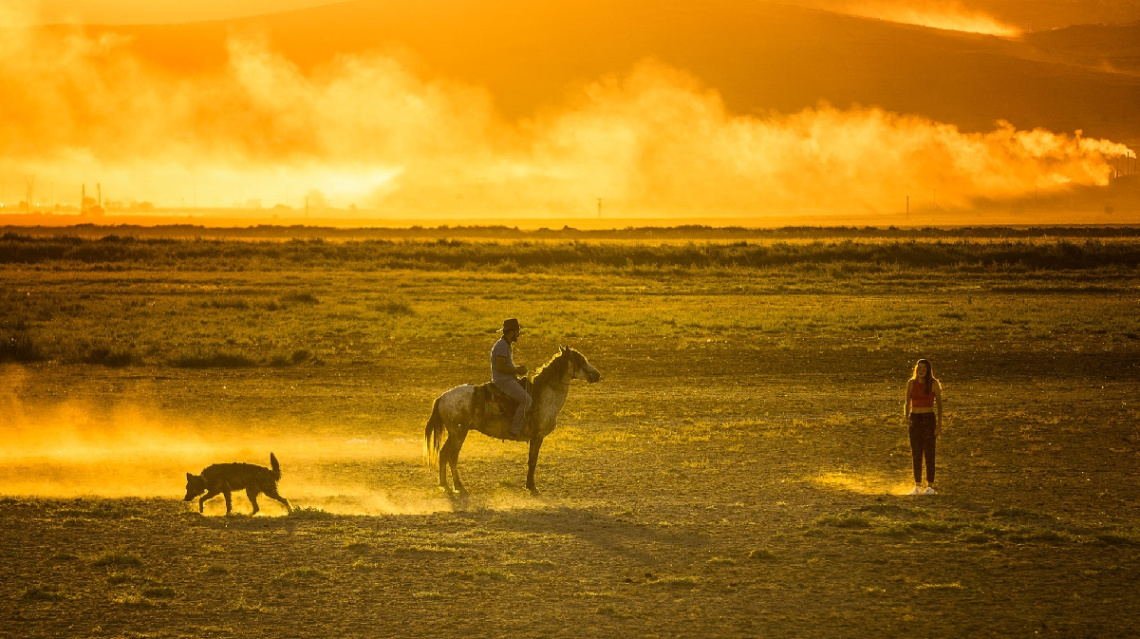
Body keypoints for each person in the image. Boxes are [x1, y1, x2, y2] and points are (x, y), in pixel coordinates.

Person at [904, 358, 942, 495]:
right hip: (915, 418)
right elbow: (907, 401)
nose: (921, 370)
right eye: (919, 367)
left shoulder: (933, 383)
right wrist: (906, 416)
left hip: (928, 418)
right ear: (916, 369)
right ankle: (918, 485)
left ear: (928, 370)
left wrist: (939, 424)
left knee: (930, 452)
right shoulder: (911, 383)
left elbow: (939, 404)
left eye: (924, 368)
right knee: (916, 452)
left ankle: (930, 486)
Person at [491, 318, 532, 436]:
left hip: (508, 379)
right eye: (517, 332)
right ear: (512, 332)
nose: (518, 335)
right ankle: (515, 430)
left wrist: (516, 370)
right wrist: (517, 370)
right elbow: (500, 367)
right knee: (527, 400)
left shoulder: (505, 344)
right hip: (503, 381)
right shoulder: (502, 345)